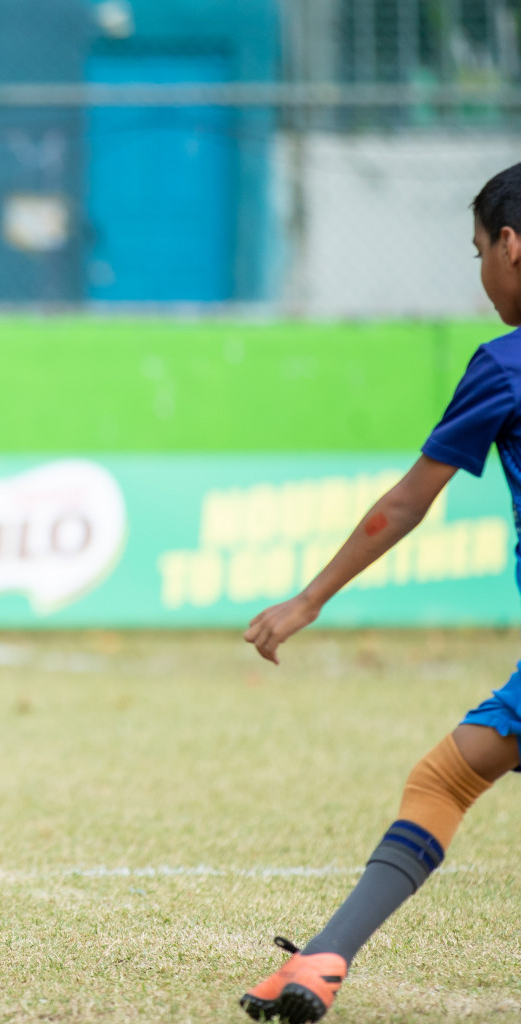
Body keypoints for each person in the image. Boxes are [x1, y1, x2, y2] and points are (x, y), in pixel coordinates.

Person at [239, 161, 521, 1023]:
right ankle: (321, 958)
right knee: (443, 776)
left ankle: (324, 960)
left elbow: (404, 503)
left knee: (440, 784)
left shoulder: (505, 366)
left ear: (512, 246)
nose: (478, 273)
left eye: (478, 251)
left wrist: (308, 599)